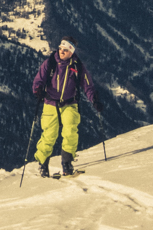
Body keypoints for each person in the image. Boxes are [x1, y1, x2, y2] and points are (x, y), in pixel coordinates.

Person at [31, 35, 102, 177]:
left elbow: (87, 85)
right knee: (49, 135)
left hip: (70, 103)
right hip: (50, 102)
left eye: (65, 50)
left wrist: (94, 99)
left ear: (71, 52)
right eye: (61, 48)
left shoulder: (77, 66)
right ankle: (43, 165)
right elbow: (39, 79)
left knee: (70, 132)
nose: (62, 52)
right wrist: (37, 89)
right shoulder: (50, 63)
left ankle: (67, 163)